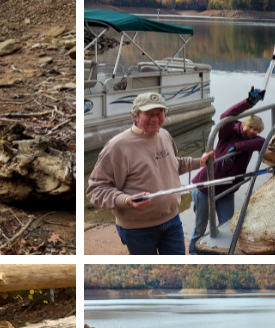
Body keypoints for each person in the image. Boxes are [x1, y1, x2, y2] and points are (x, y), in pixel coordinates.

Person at [86, 92, 213, 255]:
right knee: (149, 274)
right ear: (135, 115)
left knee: (177, 271)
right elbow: (96, 189)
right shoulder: (117, 147)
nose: (155, 119)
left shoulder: (165, 135)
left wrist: (200, 162)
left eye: (159, 113)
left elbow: (173, 164)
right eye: (148, 114)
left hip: (172, 221)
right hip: (138, 230)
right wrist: (127, 200)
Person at [189, 89, 267, 253]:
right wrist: (248, 103)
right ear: (243, 124)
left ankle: (224, 255)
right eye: (251, 127)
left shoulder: (254, 140)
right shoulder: (228, 133)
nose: (253, 132)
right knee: (200, 228)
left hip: (227, 190)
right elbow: (225, 116)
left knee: (228, 227)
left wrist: (237, 148)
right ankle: (195, 255)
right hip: (205, 187)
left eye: (256, 130)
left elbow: (262, 142)